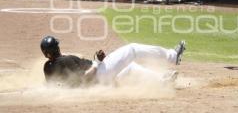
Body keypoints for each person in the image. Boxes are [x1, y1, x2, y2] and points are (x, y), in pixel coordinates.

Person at [40, 36, 186, 87]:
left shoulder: (48, 67)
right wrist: (96, 62)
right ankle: (172, 56)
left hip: (99, 79)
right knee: (132, 49)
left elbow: (56, 85)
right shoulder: (64, 60)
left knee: (131, 69)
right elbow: (84, 77)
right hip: (100, 74)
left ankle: (162, 82)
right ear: (57, 48)